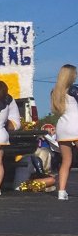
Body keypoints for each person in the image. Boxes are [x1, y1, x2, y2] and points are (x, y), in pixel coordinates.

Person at [52, 63, 78, 200]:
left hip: (62, 127)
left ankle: (61, 191)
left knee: (66, 161)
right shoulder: (74, 90)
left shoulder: (55, 92)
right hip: (76, 126)